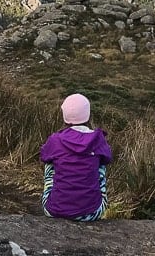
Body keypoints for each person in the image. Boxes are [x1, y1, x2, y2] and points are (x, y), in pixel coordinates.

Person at [40, 93, 112, 221]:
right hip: (92, 213)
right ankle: (90, 199)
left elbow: (44, 156)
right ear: (88, 115)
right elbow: (108, 158)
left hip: (54, 210)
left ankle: (58, 196)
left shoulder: (55, 140)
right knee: (100, 163)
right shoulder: (98, 139)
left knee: (50, 163)